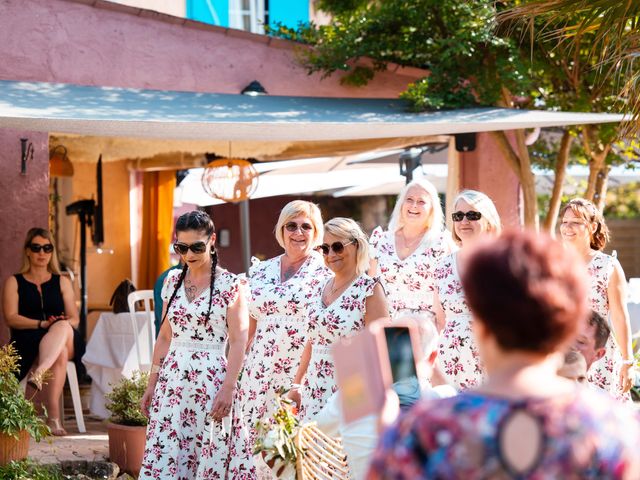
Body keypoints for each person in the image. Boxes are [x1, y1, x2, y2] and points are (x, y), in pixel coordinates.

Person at [368, 231, 640, 478]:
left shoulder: (426, 429)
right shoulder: (610, 427)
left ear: (482, 325)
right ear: (566, 326)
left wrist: (386, 436)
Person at [139, 211, 251, 479]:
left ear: (212, 240)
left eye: (197, 247)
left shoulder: (230, 284)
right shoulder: (171, 282)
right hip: (172, 382)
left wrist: (229, 388)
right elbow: (165, 336)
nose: (189, 254)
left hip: (210, 382)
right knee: (168, 451)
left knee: (208, 451)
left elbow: (238, 341)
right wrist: (152, 383)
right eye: (182, 247)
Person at [233, 200, 329, 474]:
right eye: (291, 225)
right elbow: (248, 327)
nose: (298, 232)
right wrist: (235, 371)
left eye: (306, 227)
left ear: (316, 232)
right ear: (281, 230)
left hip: (298, 370)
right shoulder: (261, 270)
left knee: (290, 446)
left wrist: (301, 381)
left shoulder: (324, 272)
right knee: (253, 442)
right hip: (258, 371)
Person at [314, 315, 453, 480]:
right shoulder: (444, 402)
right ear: (432, 358)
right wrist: (430, 362)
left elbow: (320, 430)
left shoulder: (351, 395)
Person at [290, 217, 389, 421]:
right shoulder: (319, 287)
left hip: (351, 386)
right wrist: (297, 382)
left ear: (356, 246)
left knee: (344, 450)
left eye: (337, 247)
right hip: (314, 388)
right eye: (325, 249)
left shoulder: (369, 289)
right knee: (311, 449)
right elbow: (312, 339)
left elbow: (381, 347)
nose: (331, 254)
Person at [2, 227, 79, 436]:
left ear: (52, 251)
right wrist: (41, 324)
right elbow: (11, 318)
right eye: (36, 248)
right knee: (60, 353)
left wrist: (55, 325)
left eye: (47, 248)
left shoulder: (62, 281)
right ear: (27, 251)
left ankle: (39, 373)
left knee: (63, 325)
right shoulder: (14, 281)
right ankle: (54, 419)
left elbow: (74, 318)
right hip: (27, 340)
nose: (42, 253)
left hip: (63, 336)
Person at [559, 198, 634, 400]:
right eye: (565, 222)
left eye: (575, 222)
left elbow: (619, 317)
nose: (567, 227)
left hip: (598, 354)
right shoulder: (553, 263)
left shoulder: (608, 266)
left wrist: (628, 362)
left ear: (592, 227)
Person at [433, 190, 501, 390]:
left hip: (491, 357)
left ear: (488, 221)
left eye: (472, 215)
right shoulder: (442, 265)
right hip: (450, 359)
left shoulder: (502, 261)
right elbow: (439, 319)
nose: (464, 221)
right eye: (458, 216)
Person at [369, 179, 456, 321]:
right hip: (386, 327)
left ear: (432, 209)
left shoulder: (441, 243)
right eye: (409, 199)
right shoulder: (380, 240)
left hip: (425, 329)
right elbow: (371, 290)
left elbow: (445, 294)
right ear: (401, 204)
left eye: (421, 201)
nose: (414, 205)